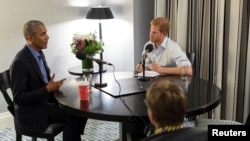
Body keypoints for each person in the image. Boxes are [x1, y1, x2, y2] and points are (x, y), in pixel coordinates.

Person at [9, 20, 87, 141]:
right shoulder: (20, 62)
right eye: (43, 34)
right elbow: (19, 98)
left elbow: (42, 83)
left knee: (80, 107)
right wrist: (47, 89)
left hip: (45, 102)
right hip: (32, 112)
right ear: (30, 37)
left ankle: (73, 133)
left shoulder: (39, 53)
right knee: (73, 115)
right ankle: (73, 132)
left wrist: (53, 86)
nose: (48, 37)